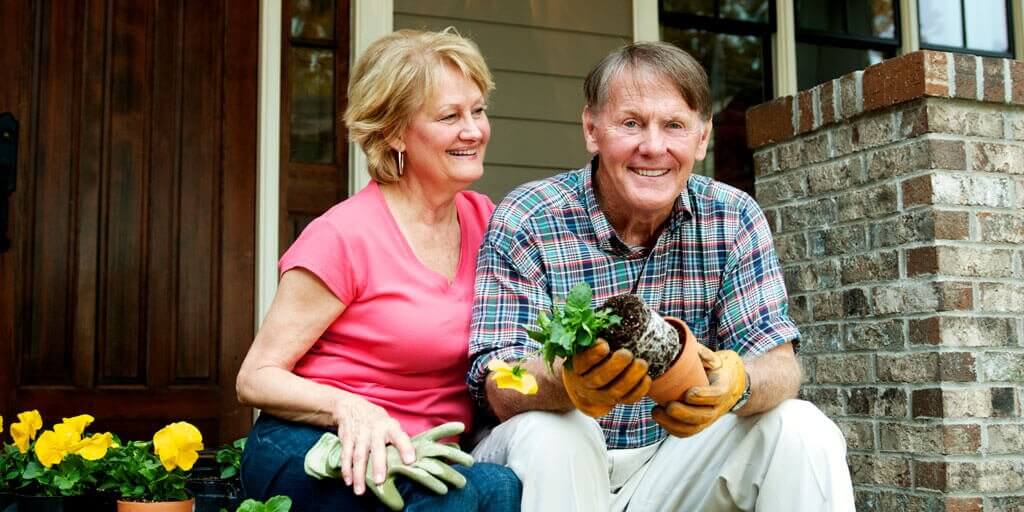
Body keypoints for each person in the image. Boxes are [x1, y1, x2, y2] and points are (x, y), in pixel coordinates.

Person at [467, 42, 854, 511]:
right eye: (631, 123)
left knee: (802, 428)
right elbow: (498, 380)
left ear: (702, 137)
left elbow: (781, 364)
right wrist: (567, 383)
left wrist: (739, 383)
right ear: (592, 129)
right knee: (559, 432)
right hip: (547, 459)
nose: (653, 147)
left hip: (673, 459)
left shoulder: (732, 217)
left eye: (674, 125)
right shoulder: (530, 216)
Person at [236, 29, 521, 512]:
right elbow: (255, 378)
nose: (473, 130)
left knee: (501, 488)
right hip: (315, 440)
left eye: (478, 110)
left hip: (428, 450)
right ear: (393, 132)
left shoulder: (489, 222)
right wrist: (349, 406)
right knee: (447, 497)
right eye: (450, 116)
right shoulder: (344, 235)